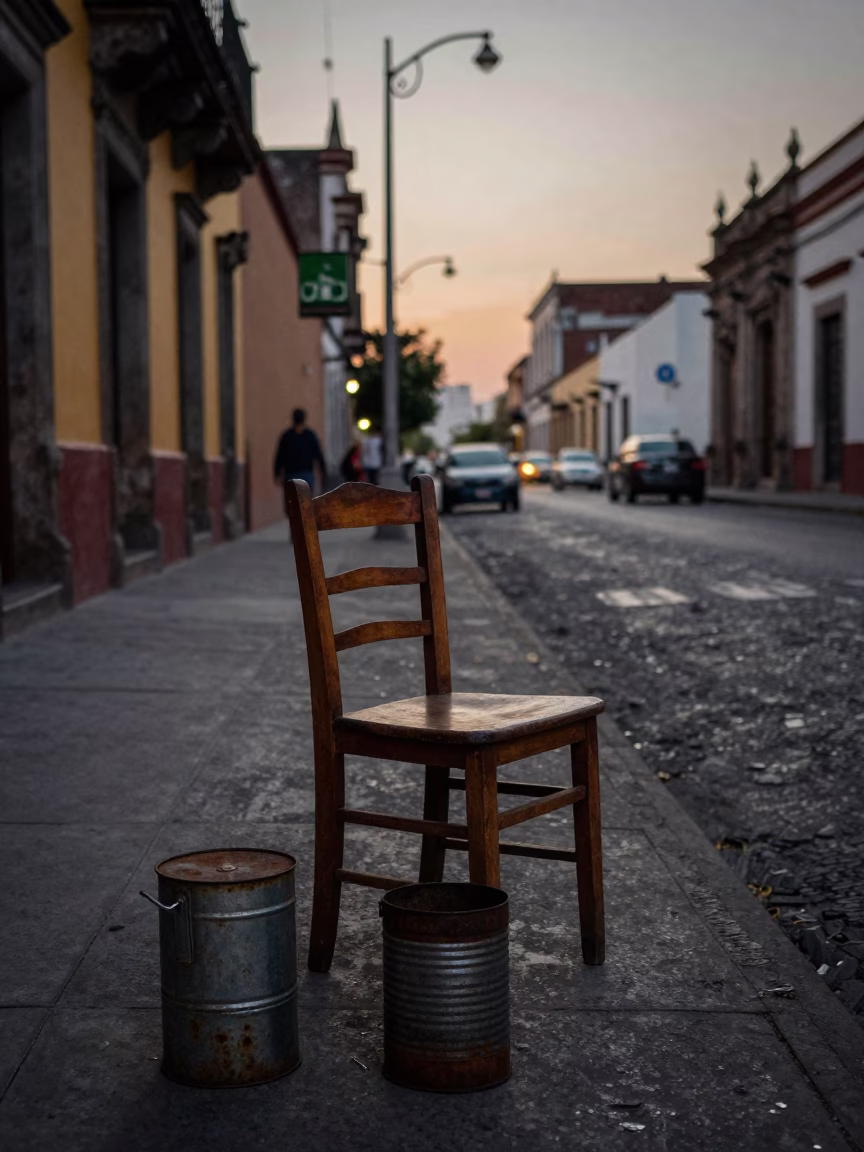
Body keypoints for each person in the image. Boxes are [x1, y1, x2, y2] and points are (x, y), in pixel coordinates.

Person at [273, 409, 327, 508]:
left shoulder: (287, 436)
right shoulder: (310, 435)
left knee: (292, 506)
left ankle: (295, 522)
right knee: (306, 505)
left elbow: (280, 455)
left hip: (291, 475)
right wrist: (323, 472)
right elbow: (319, 455)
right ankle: (304, 522)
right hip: (306, 475)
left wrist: (277, 473)